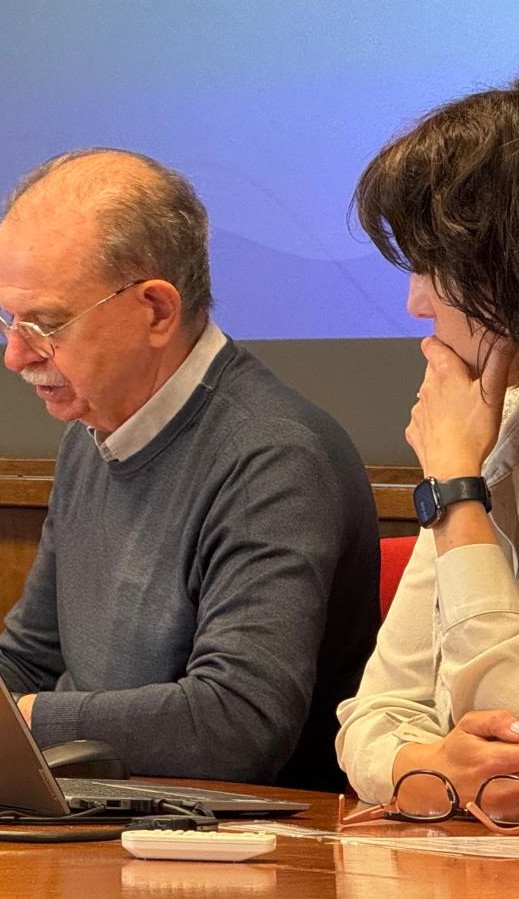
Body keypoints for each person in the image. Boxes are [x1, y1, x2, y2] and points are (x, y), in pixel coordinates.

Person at [0, 149, 382, 788]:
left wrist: (13, 720)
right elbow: (32, 660)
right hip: (98, 811)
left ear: (156, 311)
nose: (15, 356)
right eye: (8, 321)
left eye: (45, 325)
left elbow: (235, 724)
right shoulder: (92, 432)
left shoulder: (276, 457)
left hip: (234, 836)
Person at [337, 83, 519, 811]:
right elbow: (369, 719)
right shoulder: (492, 434)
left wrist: (456, 494)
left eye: (432, 266)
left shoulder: (462, 460)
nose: (415, 302)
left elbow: (511, 740)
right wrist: (435, 764)